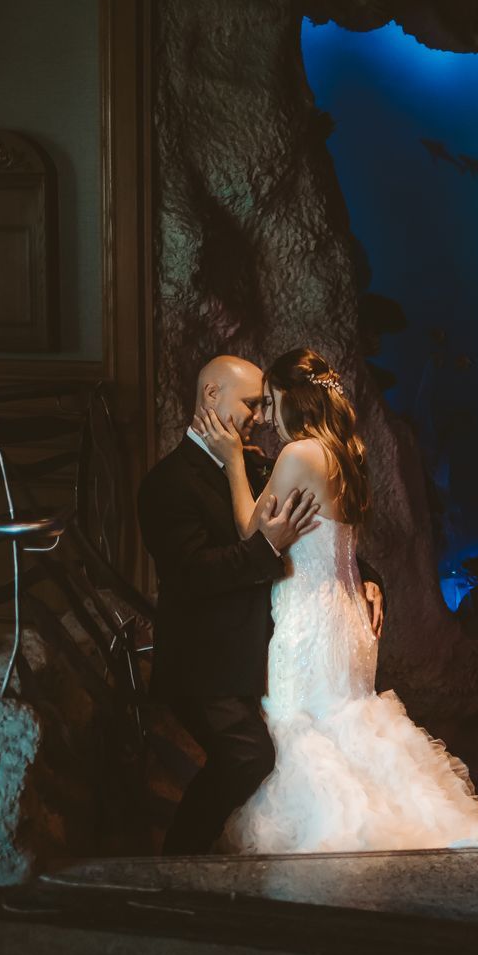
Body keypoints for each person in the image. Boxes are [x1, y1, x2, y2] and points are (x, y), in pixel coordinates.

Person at [191, 347, 478, 853]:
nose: (267, 420)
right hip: (347, 616)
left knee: (304, 727)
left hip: (310, 622)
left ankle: (332, 841)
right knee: (343, 724)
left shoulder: (300, 454)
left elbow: (249, 530)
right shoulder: (346, 454)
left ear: (294, 401)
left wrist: (234, 462)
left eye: (273, 403)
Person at [137, 355, 323, 855]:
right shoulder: (165, 484)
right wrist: (266, 547)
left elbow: (314, 534)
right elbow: (192, 575)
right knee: (248, 757)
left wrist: (367, 582)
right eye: (250, 404)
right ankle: (178, 860)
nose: (261, 417)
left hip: (262, 656)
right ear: (211, 396)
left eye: (264, 405)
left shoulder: (256, 464)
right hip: (204, 662)